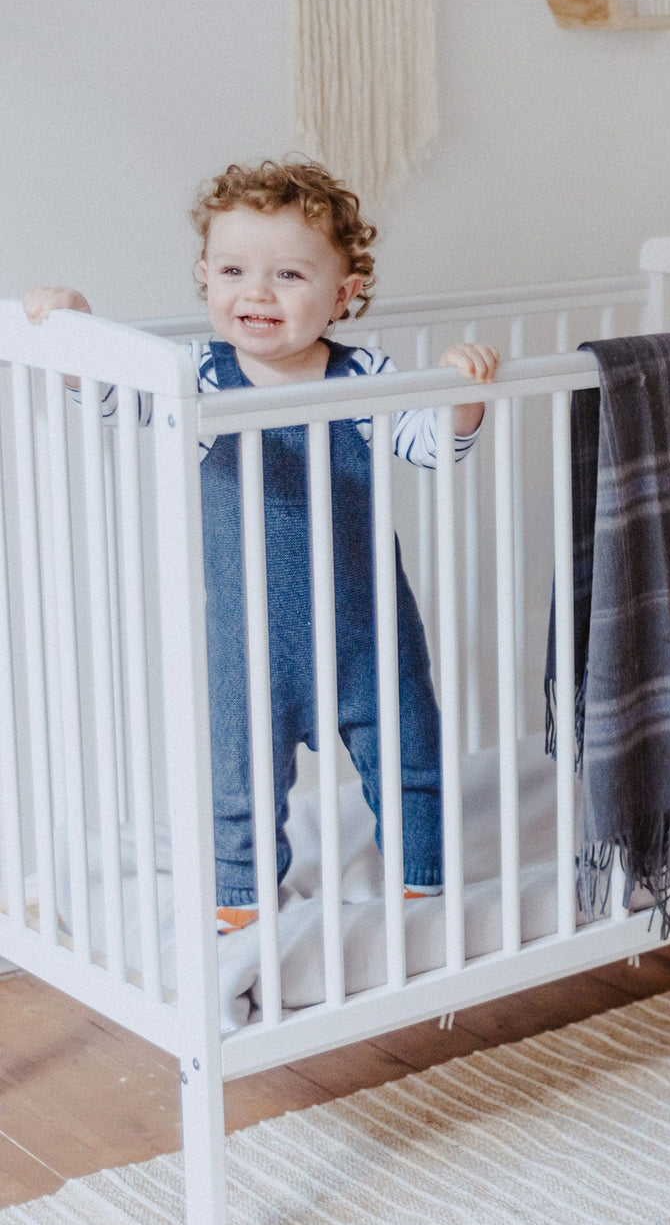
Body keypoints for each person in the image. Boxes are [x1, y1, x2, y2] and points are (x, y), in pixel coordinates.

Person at [23, 160, 499, 935]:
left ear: (344, 294)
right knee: (237, 777)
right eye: (235, 270)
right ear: (205, 277)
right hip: (248, 641)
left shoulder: (363, 376)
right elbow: (110, 397)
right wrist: (79, 327)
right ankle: (242, 902)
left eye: (288, 274)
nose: (258, 292)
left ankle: (421, 885)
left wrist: (461, 396)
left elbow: (429, 443)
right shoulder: (195, 379)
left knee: (411, 756)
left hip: (368, 629)